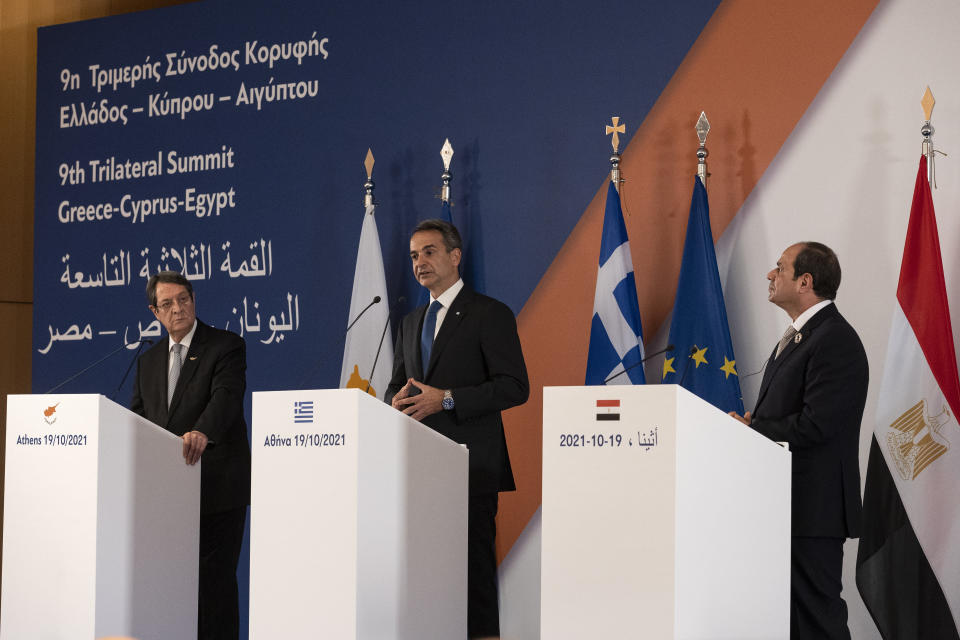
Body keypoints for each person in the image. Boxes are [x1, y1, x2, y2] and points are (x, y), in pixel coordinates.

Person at [385, 219, 529, 640]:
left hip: (470, 470)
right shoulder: (411, 322)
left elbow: (514, 387)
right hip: (420, 471)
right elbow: (399, 381)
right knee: (429, 578)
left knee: (474, 579)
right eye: (413, 256)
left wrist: (446, 398)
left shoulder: (489, 314)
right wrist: (394, 398)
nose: (420, 262)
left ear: (454, 256)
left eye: (429, 251)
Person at [729, 242, 868, 640]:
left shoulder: (834, 339)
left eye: (779, 268)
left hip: (813, 510)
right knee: (789, 622)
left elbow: (818, 425)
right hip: (785, 505)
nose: (770, 276)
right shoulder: (799, 336)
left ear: (805, 281)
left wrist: (753, 430)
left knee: (816, 621)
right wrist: (759, 422)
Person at [130, 271, 251, 640]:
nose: (177, 308)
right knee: (173, 587)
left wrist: (203, 431)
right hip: (168, 494)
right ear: (155, 311)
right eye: (167, 303)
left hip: (217, 487)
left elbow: (226, 397)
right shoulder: (147, 361)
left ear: (194, 300)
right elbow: (138, 417)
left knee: (214, 590)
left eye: (183, 299)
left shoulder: (225, 345)